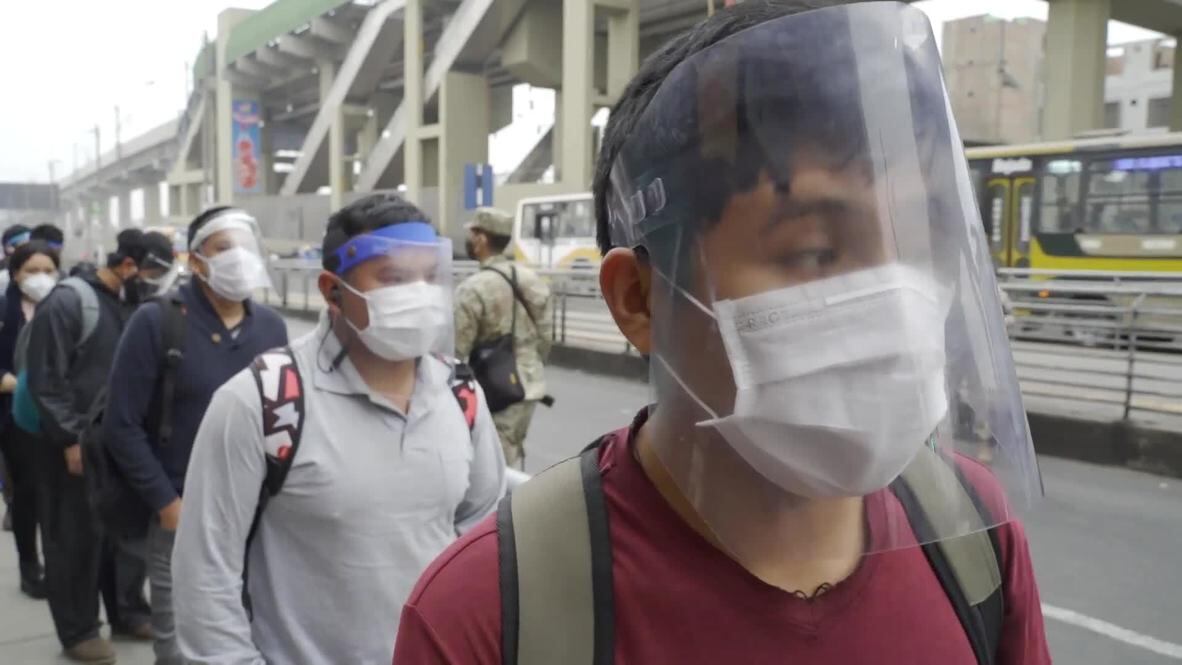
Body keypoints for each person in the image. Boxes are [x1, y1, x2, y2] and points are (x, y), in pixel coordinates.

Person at [393, 3, 1052, 664]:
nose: (900, 299)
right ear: (638, 299)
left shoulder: (970, 535)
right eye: (816, 248)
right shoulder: (488, 615)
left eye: (921, 238)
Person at [173, 193, 507, 665]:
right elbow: (205, 573)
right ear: (332, 291)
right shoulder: (261, 402)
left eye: (430, 277)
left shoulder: (460, 394)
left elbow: (482, 538)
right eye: (393, 277)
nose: (419, 292)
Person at [102, 207, 287, 665]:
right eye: (225, 249)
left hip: (256, 517)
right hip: (182, 514)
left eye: (246, 247)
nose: (239, 259)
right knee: (182, 646)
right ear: (196, 259)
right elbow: (120, 423)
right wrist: (168, 505)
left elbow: (282, 418)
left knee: (252, 634)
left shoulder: (270, 327)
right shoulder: (156, 322)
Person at [26, 228, 175, 663]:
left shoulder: (135, 304)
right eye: (148, 272)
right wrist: (70, 438)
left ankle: (127, 610)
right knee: (74, 537)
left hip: (119, 439)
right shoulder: (70, 302)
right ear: (126, 265)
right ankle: (78, 631)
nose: (152, 282)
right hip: (69, 443)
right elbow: (45, 380)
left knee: (124, 534)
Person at [454, 207, 554, 468]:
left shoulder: (473, 289)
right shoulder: (532, 280)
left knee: (496, 466)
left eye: (473, 233)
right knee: (513, 451)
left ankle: (506, 507)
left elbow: (456, 351)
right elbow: (545, 337)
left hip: (497, 389)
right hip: (531, 385)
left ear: (481, 239)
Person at [0, 240, 60, 598]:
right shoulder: (5, 310)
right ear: (16, 274)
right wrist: (14, 383)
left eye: (48, 271)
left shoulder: (68, 307)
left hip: (60, 417)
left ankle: (59, 564)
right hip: (15, 417)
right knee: (26, 494)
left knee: (58, 497)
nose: (41, 278)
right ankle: (29, 566)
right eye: (32, 271)